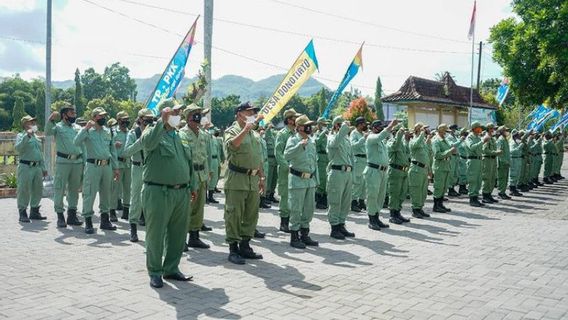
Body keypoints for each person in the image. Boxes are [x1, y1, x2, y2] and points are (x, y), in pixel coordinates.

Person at [141, 100, 193, 288]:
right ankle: (155, 272)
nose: (178, 115)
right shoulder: (152, 132)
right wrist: (160, 122)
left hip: (181, 192)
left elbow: (188, 163)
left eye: (179, 112)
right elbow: (147, 143)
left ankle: (171, 268)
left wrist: (191, 186)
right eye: (175, 112)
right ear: (166, 114)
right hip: (158, 192)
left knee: (178, 234)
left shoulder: (178, 136)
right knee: (156, 234)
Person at [223, 102, 265, 265]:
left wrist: (261, 177)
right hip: (237, 179)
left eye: (254, 112)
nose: (253, 114)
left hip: (253, 180)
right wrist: (246, 129)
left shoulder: (254, 135)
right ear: (240, 114)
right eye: (250, 112)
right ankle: (233, 249)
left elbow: (257, 157)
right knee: (234, 214)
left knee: (251, 214)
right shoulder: (232, 130)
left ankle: (245, 245)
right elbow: (232, 146)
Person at [74, 107, 120, 234]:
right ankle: (88, 221)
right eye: (100, 116)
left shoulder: (108, 131)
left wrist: (116, 168)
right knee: (89, 193)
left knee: (106, 193)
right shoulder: (88, 131)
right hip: (93, 166)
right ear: (94, 117)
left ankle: (105, 220)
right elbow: (76, 142)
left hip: (107, 166)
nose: (103, 118)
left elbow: (113, 151)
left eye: (104, 116)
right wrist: (85, 128)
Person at [45, 103, 84, 227]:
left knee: (74, 189)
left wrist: (84, 161)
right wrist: (50, 119)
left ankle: (72, 215)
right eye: (71, 113)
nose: (74, 115)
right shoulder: (58, 127)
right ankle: (60, 216)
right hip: (63, 162)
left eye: (74, 113)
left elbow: (82, 145)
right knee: (59, 188)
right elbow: (47, 132)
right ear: (64, 115)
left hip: (77, 162)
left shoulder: (77, 128)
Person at [284, 115, 319, 248]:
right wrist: (299, 146)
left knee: (309, 209)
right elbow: (286, 155)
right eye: (307, 125)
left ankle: (305, 234)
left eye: (310, 125)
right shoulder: (293, 140)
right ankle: (294, 236)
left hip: (310, 180)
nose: (309, 127)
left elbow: (314, 162)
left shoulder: (311, 141)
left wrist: (316, 180)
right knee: (296, 209)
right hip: (297, 179)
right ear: (299, 127)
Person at [179, 104, 211, 250]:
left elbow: (206, 156)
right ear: (188, 117)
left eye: (200, 113)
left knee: (199, 208)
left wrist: (208, 172)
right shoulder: (182, 134)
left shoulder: (204, 135)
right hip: (188, 176)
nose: (199, 116)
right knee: (186, 208)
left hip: (201, 175)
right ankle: (180, 239)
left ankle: (194, 237)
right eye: (196, 113)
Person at [123, 108, 154, 242]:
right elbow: (126, 152)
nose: (149, 121)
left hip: (151, 168)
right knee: (135, 199)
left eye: (151, 119)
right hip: (137, 167)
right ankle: (133, 228)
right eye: (146, 119)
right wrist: (141, 141)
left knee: (152, 199)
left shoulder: (154, 132)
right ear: (140, 119)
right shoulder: (133, 134)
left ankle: (151, 230)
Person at [326, 116, 356, 239]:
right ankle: (334, 227)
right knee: (335, 201)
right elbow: (334, 144)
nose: (346, 127)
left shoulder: (346, 139)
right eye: (342, 125)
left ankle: (341, 224)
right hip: (337, 172)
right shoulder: (332, 137)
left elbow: (350, 156)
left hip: (347, 172)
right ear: (336, 126)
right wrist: (343, 129)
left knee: (345, 201)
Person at [365, 119, 397, 230]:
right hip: (373, 171)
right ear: (373, 128)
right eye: (379, 127)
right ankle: (371, 219)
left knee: (381, 196)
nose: (381, 129)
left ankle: (377, 217)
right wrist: (391, 125)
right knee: (373, 195)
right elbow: (380, 136)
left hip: (383, 171)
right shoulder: (371, 137)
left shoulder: (381, 142)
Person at [15, 115, 47, 222]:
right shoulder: (21, 135)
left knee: (38, 189)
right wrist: (27, 136)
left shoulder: (37, 138)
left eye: (34, 122)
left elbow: (40, 154)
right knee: (24, 189)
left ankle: (34, 211)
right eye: (31, 122)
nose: (34, 124)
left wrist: (43, 168)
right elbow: (18, 148)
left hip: (37, 167)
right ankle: (22, 212)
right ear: (25, 124)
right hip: (26, 166)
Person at [275, 108, 302, 233]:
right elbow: (278, 152)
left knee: (294, 196)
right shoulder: (283, 134)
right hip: (286, 171)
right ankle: (283, 222)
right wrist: (287, 166)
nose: (296, 120)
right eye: (294, 118)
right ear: (289, 120)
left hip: (296, 170)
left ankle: (293, 221)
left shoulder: (296, 134)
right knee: (285, 196)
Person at [109, 111, 132, 222]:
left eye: (127, 119)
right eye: (123, 120)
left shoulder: (131, 132)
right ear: (118, 121)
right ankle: (112, 211)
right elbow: (107, 146)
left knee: (127, 188)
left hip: (128, 163)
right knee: (114, 188)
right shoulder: (113, 132)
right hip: (117, 164)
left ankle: (126, 211)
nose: (126, 122)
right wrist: (114, 145)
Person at [387, 125, 411, 224]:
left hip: (404, 171)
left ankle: (398, 212)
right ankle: (393, 215)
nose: (403, 133)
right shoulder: (391, 142)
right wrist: (399, 135)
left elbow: (408, 154)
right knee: (394, 194)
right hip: (395, 171)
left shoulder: (402, 143)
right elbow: (394, 147)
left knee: (402, 193)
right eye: (400, 132)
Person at [431, 124, 458, 213]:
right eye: (445, 131)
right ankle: (436, 206)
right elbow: (437, 155)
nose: (446, 133)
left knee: (444, 186)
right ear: (441, 131)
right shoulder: (436, 141)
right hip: (440, 166)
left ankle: (440, 204)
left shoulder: (444, 140)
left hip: (446, 165)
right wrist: (450, 151)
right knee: (439, 186)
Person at [408, 122, 432, 218]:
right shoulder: (413, 140)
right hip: (416, 169)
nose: (425, 131)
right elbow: (415, 144)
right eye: (422, 129)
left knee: (423, 191)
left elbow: (427, 157)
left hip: (424, 169)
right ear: (418, 130)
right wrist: (422, 134)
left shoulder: (423, 142)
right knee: (416, 190)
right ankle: (415, 209)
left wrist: (429, 170)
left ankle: (420, 208)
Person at [350, 117, 368, 212]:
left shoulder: (363, 133)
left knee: (364, 182)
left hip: (365, 160)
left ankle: (361, 201)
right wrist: (362, 139)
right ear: (359, 124)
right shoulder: (354, 133)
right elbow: (353, 145)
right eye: (363, 124)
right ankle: (353, 202)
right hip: (358, 159)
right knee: (357, 182)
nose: (365, 125)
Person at [465, 121, 485, 207]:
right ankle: (472, 199)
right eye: (478, 127)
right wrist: (482, 142)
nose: (480, 129)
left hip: (479, 161)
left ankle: (476, 197)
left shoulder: (478, 137)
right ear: (474, 128)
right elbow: (472, 147)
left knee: (478, 180)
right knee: (473, 180)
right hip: (473, 161)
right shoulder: (470, 137)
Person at [314, 117, 331, 209]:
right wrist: (322, 134)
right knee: (321, 179)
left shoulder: (328, 135)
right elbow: (316, 143)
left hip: (327, 157)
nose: (325, 126)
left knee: (327, 179)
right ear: (319, 124)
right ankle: (319, 199)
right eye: (323, 124)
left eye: (326, 125)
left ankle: (324, 199)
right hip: (320, 158)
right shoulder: (317, 134)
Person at [495, 126, 512, 200]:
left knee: (505, 178)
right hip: (502, 163)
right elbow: (500, 152)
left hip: (506, 162)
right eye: (505, 130)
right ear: (502, 131)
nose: (507, 132)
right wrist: (504, 161)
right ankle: (500, 193)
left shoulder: (505, 139)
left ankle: (503, 192)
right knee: (502, 178)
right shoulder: (500, 140)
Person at [207, 127, 222, 204]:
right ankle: (205, 197)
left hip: (215, 159)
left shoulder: (215, 138)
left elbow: (217, 150)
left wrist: (219, 161)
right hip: (208, 159)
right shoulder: (205, 137)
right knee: (207, 178)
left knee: (214, 178)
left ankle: (210, 196)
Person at [264, 124, 279, 203]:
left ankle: (271, 194)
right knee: (269, 179)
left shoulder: (274, 136)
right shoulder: (265, 136)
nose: (272, 129)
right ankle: (266, 195)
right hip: (269, 159)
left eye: (272, 127)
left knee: (274, 179)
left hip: (275, 159)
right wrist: (267, 129)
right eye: (270, 127)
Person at [258, 126, 271, 210]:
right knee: (260, 181)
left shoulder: (263, 140)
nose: (262, 132)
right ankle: (259, 200)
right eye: (260, 130)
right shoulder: (257, 140)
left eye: (263, 130)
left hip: (265, 162)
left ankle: (263, 199)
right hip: (261, 163)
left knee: (264, 182)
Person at [446, 124, 461, 197]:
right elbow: (452, 145)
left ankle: (453, 187)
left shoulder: (455, 137)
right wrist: (460, 140)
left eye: (455, 129)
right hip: (451, 156)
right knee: (451, 173)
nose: (455, 130)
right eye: (454, 129)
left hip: (456, 156)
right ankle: (450, 189)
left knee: (455, 173)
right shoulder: (449, 137)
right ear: (451, 129)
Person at [508, 129, 524, 196]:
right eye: (517, 135)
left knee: (517, 174)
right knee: (513, 174)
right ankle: (512, 189)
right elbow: (511, 151)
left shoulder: (517, 142)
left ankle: (514, 187)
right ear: (514, 136)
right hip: (514, 160)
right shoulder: (512, 142)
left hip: (518, 159)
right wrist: (519, 147)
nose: (519, 137)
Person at [457, 128, 470, 195]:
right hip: (462, 158)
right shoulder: (460, 140)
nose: (466, 135)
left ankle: (464, 187)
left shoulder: (466, 141)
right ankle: (461, 188)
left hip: (466, 159)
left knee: (465, 174)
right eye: (465, 133)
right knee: (462, 174)